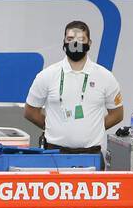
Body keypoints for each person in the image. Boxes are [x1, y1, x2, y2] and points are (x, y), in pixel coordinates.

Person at [24, 20, 124, 154]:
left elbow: (117, 114)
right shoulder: (47, 75)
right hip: (55, 153)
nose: (75, 43)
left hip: (91, 153)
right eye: (70, 39)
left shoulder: (105, 77)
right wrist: (53, 127)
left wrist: (94, 128)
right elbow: (30, 112)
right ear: (64, 42)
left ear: (89, 43)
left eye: (81, 39)